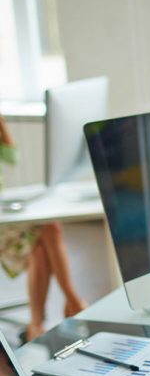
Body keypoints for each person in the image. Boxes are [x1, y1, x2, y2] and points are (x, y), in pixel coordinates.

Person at [0, 114, 86, 341]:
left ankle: (36, 325)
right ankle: (73, 303)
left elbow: (11, 157)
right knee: (47, 233)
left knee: (48, 230)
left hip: (5, 214)